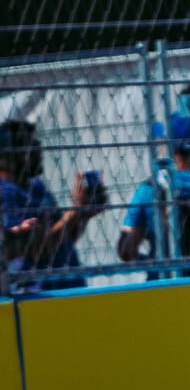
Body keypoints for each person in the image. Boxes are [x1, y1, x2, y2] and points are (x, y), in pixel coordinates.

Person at [117, 112, 190, 273]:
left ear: (168, 147)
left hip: (165, 284)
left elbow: (126, 252)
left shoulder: (149, 191)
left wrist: (150, 258)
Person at [0, 118, 109, 293]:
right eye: (29, 146)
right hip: (38, 295)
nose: (38, 150)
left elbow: (65, 239)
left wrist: (83, 213)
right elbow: (33, 248)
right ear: (6, 157)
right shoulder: (6, 193)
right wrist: (74, 212)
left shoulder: (36, 186)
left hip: (69, 288)